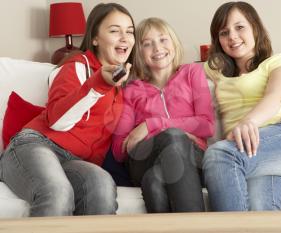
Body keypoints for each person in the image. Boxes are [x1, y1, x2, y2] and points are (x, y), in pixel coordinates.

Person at [0, 3, 135, 216]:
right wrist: (99, 82)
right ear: (95, 39)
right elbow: (57, 119)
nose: (125, 37)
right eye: (114, 30)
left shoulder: (123, 85)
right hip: (34, 146)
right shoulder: (76, 65)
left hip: (74, 161)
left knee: (101, 185)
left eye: (129, 31)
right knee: (57, 191)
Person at [202, 1, 281, 211]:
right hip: (258, 159)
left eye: (239, 27)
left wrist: (248, 122)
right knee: (261, 209)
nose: (232, 36)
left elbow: (275, 96)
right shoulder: (215, 71)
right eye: (224, 32)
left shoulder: (277, 62)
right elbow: (173, 76)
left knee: (219, 154)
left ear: (255, 28)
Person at [112, 17, 215, 213]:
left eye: (163, 39)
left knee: (154, 180)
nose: (157, 48)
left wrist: (152, 125)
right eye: (147, 44)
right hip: (144, 159)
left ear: (174, 43)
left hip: (193, 156)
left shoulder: (192, 73)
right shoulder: (131, 90)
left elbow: (206, 125)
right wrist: (177, 132)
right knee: (173, 137)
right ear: (139, 53)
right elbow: (120, 149)